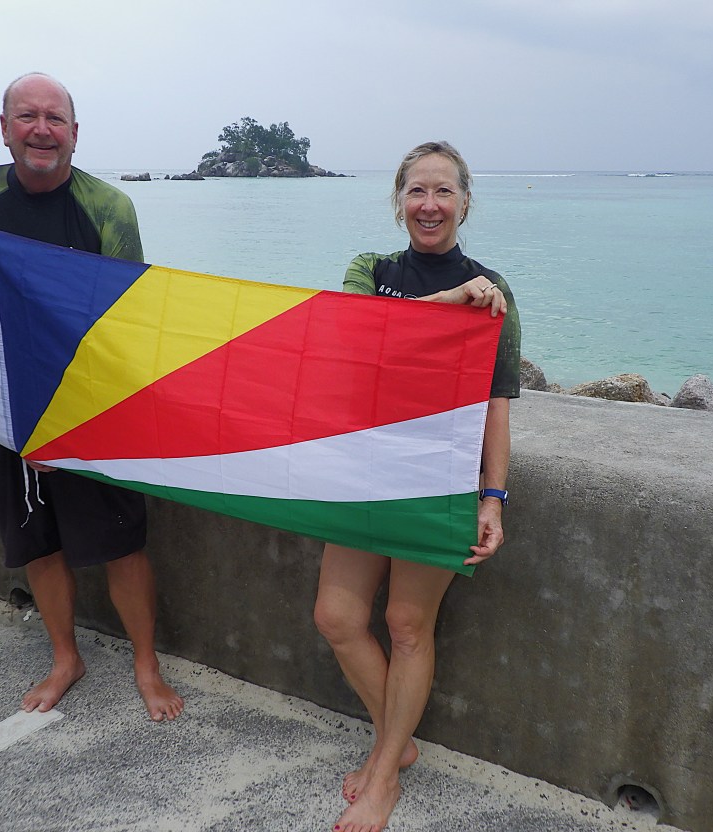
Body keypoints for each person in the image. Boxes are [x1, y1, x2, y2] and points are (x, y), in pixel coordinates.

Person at [0, 72, 183, 722]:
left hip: (93, 408)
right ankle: (66, 657)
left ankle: (146, 663)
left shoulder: (108, 207)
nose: (42, 129)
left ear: (74, 132)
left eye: (55, 118)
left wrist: (64, 426)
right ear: (5, 128)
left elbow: (125, 322)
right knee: (37, 543)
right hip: (11, 414)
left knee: (122, 544)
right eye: (28, 116)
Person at [314, 140, 521, 832]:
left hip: (438, 474)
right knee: (337, 618)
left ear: (465, 202)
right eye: (417, 191)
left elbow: (496, 403)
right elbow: (358, 338)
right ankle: (394, 741)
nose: (429, 205)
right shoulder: (370, 271)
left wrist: (493, 496)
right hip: (365, 465)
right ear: (398, 201)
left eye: (443, 191)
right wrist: (452, 302)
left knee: (407, 625)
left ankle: (385, 774)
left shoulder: (494, 288)